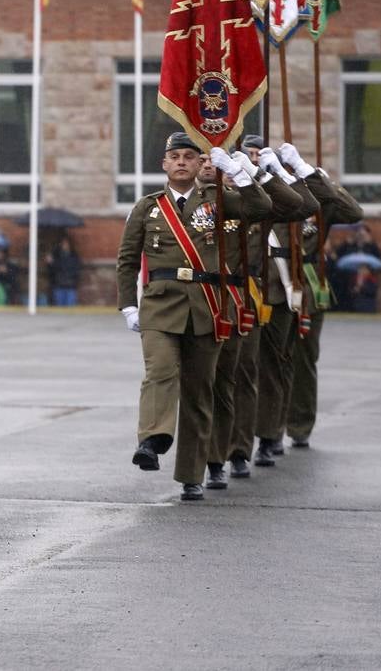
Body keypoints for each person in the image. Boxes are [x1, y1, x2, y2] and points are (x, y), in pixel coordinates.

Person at [116, 132, 270, 501]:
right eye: (176, 156)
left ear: (200, 162)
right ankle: (152, 440)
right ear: (165, 164)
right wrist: (128, 305)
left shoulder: (219, 202)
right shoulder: (147, 207)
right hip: (159, 306)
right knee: (161, 372)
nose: (183, 162)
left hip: (207, 306)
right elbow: (126, 259)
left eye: (190, 156)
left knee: (201, 393)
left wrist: (240, 172)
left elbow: (262, 209)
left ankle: (192, 474)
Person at [199, 141, 304, 489]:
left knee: (243, 377)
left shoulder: (253, 201)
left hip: (243, 298)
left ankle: (239, 450)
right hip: (201, 299)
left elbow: (299, 205)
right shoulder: (199, 202)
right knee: (206, 381)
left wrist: (256, 172)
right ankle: (208, 456)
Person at [281, 143, 363, 450]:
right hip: (275, 279)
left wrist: (314, 176)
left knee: (304, 357)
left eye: (292, 168)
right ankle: (269, 427)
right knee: (271, 358)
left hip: (309, 282)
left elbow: (353, 212)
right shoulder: (269, 195)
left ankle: (299, 423)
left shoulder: (317, 200)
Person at [47, 236, 82, 306]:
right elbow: (52, 271)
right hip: (58, 285)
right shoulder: (56, 255)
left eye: (66, 244)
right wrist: (50, 263)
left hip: (70, 285)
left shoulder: (74, 256)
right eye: (63, 244)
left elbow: (76, 270)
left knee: (70, 308)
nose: (65, 246)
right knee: (59, 308)